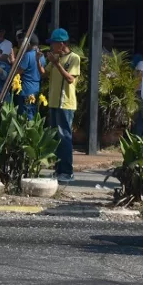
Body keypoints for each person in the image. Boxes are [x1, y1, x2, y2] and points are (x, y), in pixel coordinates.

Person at [45, 28, 80, 182]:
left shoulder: (74, 58)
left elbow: (70, 79)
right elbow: (44, 73)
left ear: (61, 43)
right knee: (55, 137)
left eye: (53, 43)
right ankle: (58, 169)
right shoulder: (55, 58)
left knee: (65, 136)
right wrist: (40, 60)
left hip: (65, 102)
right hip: (53, 102)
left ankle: (67, 171)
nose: (51, 46)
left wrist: (57, 64)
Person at [16, 33, 45, 119]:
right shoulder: (41, 56)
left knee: (25, 113)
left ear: (28, 44)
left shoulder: (28, 55)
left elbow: (19, 71)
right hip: (36, 87)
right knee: (32, 111)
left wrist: (13, 62)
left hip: (26, 88)